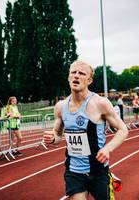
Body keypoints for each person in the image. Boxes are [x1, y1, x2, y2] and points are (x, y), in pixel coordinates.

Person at [43, 60, 128, 200]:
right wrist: (52, 138)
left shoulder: (100, 103)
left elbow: (123, 130)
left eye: (81, 73)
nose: (76, 76)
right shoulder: (60, 107)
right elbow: (58, 135)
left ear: (89, 80)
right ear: (68, 77)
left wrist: (107, 149)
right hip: (74, 171)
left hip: (98, 170)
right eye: (73, 72)